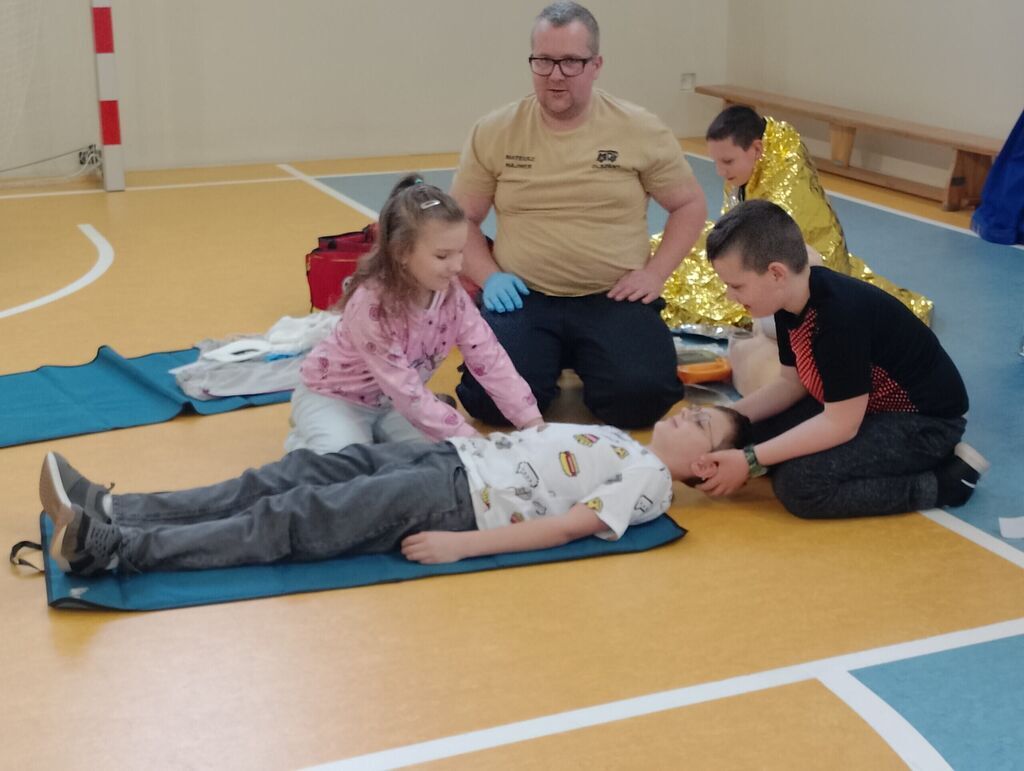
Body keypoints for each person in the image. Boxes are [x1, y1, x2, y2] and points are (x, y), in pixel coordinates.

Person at [39, 406, 751, 575]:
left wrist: (463, 547)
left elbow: (568, 528)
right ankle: (116, 506)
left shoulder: (649, 481)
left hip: (457, 503)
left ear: (701, 468)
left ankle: (116, 548)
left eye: (702, 426)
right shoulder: (625, 439)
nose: (686, 413)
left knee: (296, 515)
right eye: (694, 408)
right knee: (284, 476)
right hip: (449, 459)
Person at [450, 2, 707, 429]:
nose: (555, 75)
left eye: (571, 61)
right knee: (492, 404)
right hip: (525, 298)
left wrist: (654, 274)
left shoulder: (639, 128)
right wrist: (489, 277)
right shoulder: (495, 131)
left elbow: (689, 204)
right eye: (543, 61)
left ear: (596, 65)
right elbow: (460, 220)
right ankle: (546, 359)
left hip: (613, 298)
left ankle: (583, 361)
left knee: (642, 400)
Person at [695, 200, 988, 519]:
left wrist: (751, 461)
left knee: (798, 484)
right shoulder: (786, 300)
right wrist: (727, 415)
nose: (730, 296)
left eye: (736, 285)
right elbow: (790, 384)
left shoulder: (838, 318)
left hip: (924, 424)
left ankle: (943, 484)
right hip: (859, 406)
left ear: (776, 273)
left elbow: (841, 425)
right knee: (751, 433)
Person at [660, 105, 933, 395]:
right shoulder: (751, 169)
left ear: (757, 148)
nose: (719, 171)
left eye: (727, 161)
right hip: (779, 282)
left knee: (692, 286)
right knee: (675, 248)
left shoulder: (783, 193)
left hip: (798, 279)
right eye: (715, 161)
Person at [286, 175, 543, 454]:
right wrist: (472, 441)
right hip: (336, 398)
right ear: (401, 253)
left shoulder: (452, 295)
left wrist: (532, 421)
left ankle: (356, 434)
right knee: (347, 462)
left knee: (440, 456)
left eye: (460, 252)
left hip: (391, 403)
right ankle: (307, 436)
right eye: (442, 256)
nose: (457, 266)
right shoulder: (374, 306)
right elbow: (406, 392)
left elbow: (488, 357)